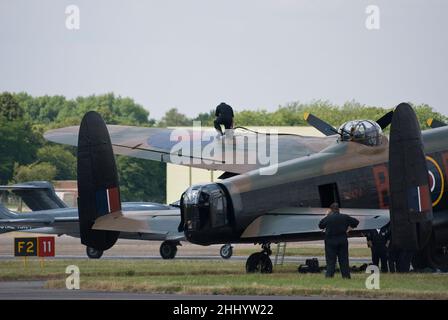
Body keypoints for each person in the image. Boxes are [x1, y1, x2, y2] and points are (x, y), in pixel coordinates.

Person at [318, 202, 359, 279]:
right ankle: (346, 276)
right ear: (338, 209)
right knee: (344, 260)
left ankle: (329, 276)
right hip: (342, 240)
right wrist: (349, 228)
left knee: (331, 260)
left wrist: (326, 215)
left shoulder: (328, 218)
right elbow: (356, 222)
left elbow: (321, 225)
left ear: (331, 210)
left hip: (330, 241)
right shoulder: (345, 217)